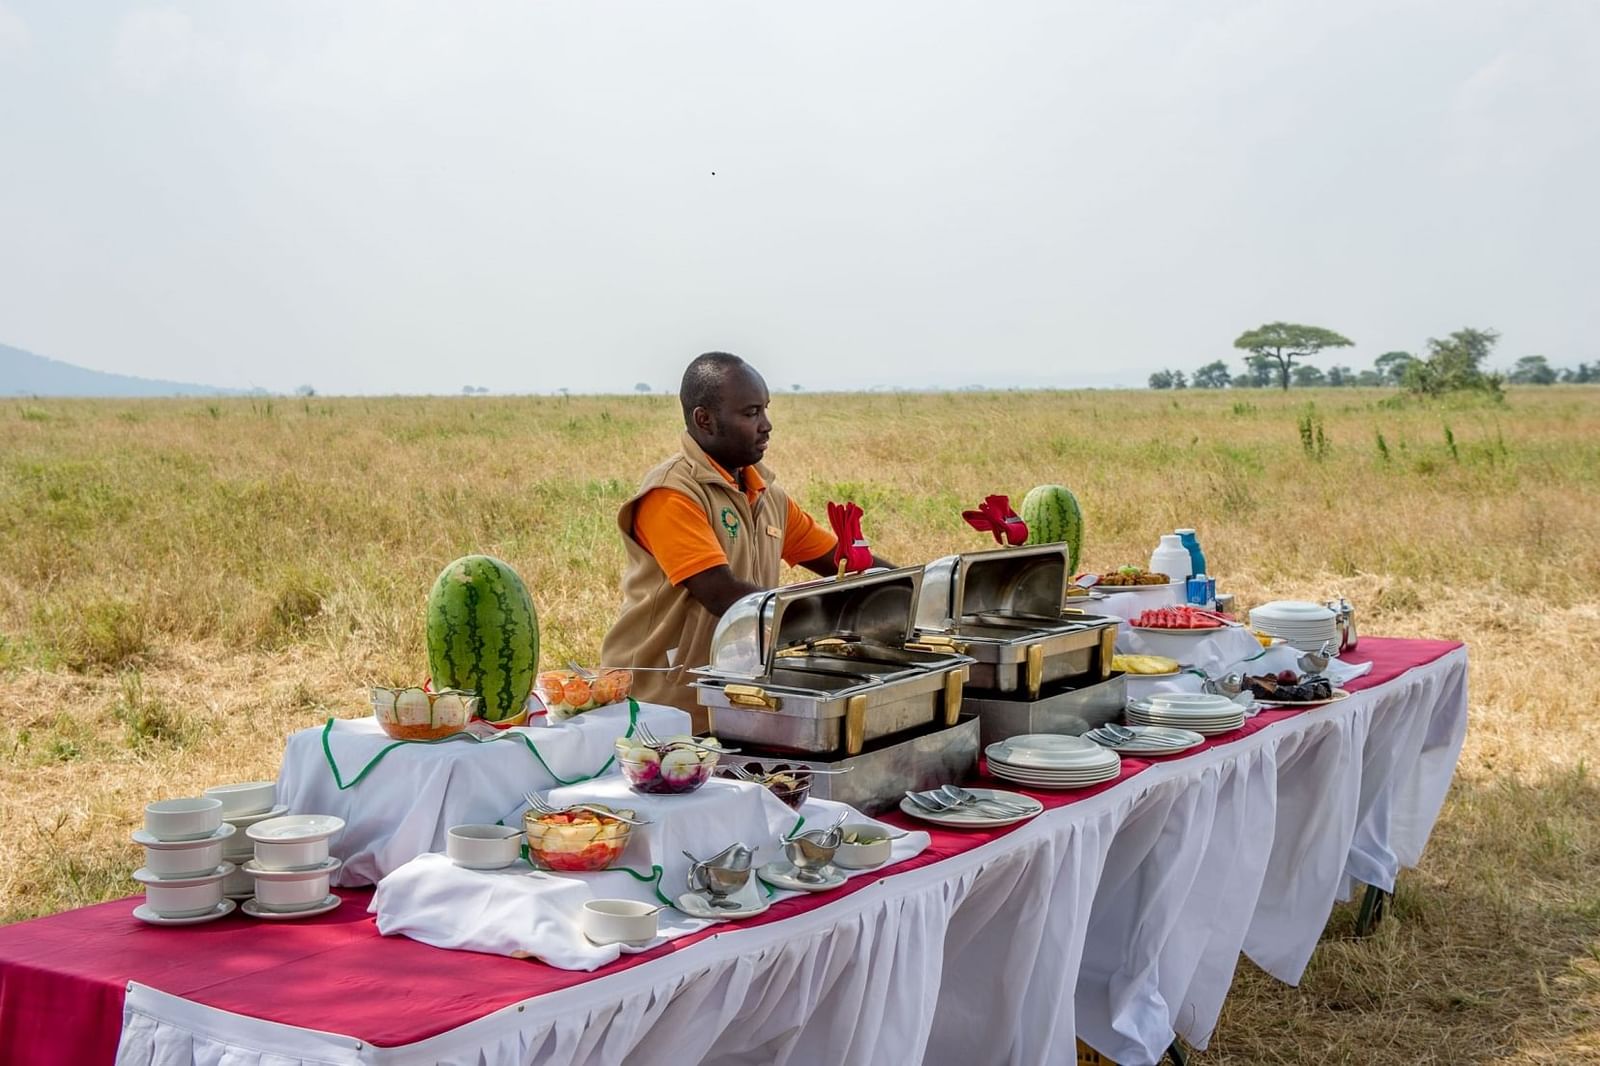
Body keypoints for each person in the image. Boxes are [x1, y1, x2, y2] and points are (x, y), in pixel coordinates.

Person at [601, 352, 893, 729]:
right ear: (704, 420)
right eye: (751, 413)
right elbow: (721, 593)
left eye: (766, 411)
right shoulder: (672, 493)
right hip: (661, 704)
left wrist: (915, 588)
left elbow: (840, 560)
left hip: (731, 693)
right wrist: (821, 621)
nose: (767, 425)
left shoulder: (768, 496)